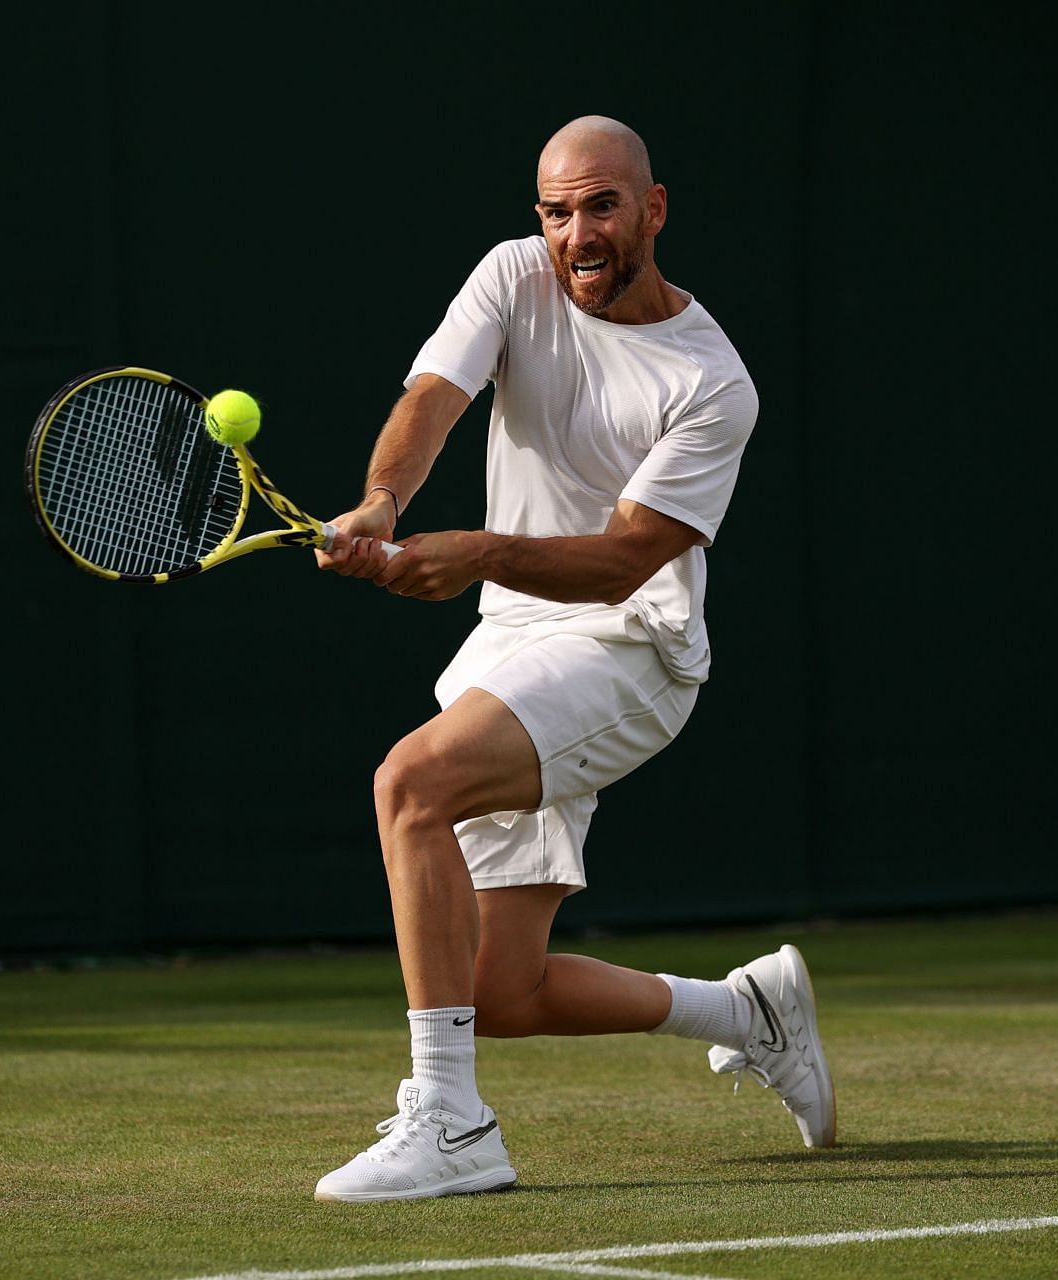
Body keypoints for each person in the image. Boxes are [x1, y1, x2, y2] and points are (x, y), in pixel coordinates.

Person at [310, 115, 833, 1203]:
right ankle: (751, 1011)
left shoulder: (713, 380)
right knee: (498, 988)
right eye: (556, 212)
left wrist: (476, 552)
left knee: (411, 779)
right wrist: (382, 501)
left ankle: (452, 1123)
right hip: (513, 644)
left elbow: (627, 559)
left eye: (601, 206)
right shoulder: (513, 278)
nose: (576, 234)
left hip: (630, 650)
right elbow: (433, 399)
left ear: (653, 208)